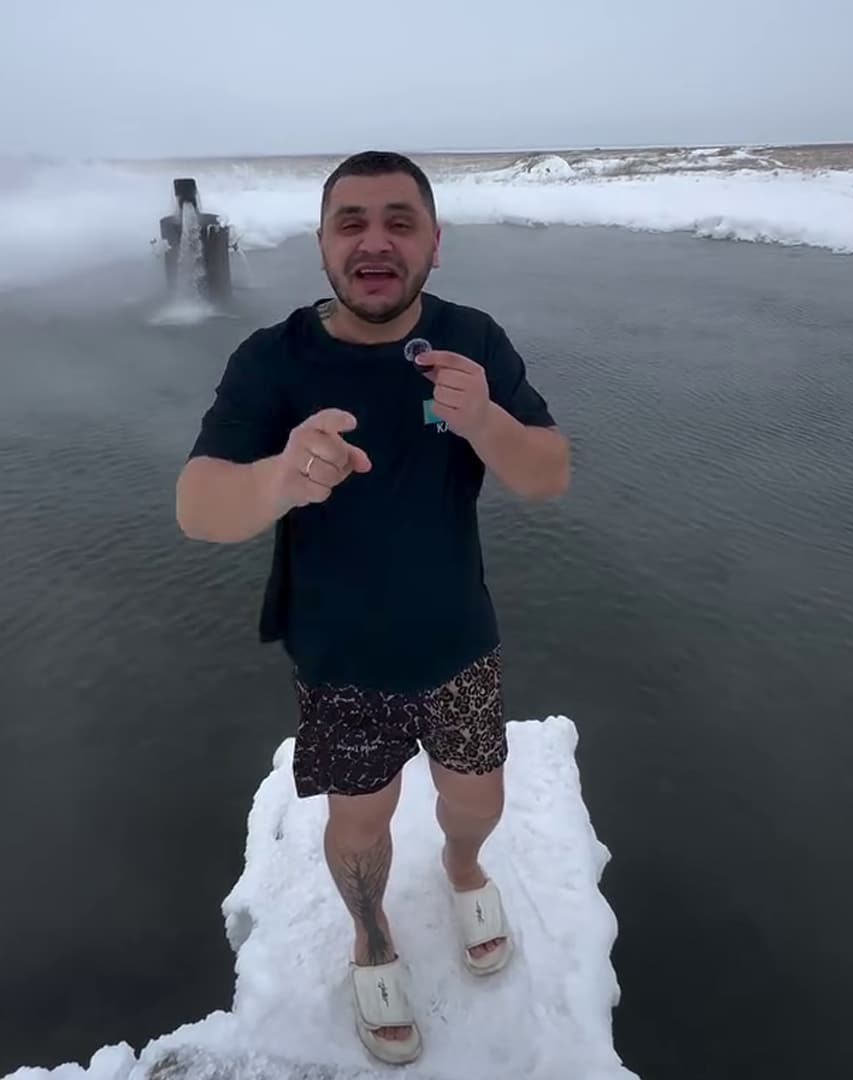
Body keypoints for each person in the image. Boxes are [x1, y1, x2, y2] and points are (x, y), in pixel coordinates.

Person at [174, 150, 570, 1064]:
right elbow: (197, 507)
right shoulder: (273, 360)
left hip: (458, 640)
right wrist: (279, 478)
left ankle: (464, 869)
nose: (375, 241)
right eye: (350, 222)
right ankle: (370, 935)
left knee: (477, 797)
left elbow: (548, 474)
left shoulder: (472, 341)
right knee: (360, 823)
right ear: (322, 243)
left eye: (400, 220)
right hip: (340, 657)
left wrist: (485, 421)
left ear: (435, 241)